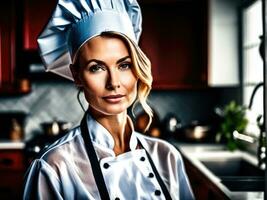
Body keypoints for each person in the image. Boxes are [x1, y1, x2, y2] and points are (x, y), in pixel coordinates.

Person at [23, 0, 195, 199]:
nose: (114, 82)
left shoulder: (167, 157)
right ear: (77, 75)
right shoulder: (53, 167)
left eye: (124, 65)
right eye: (97, 67)